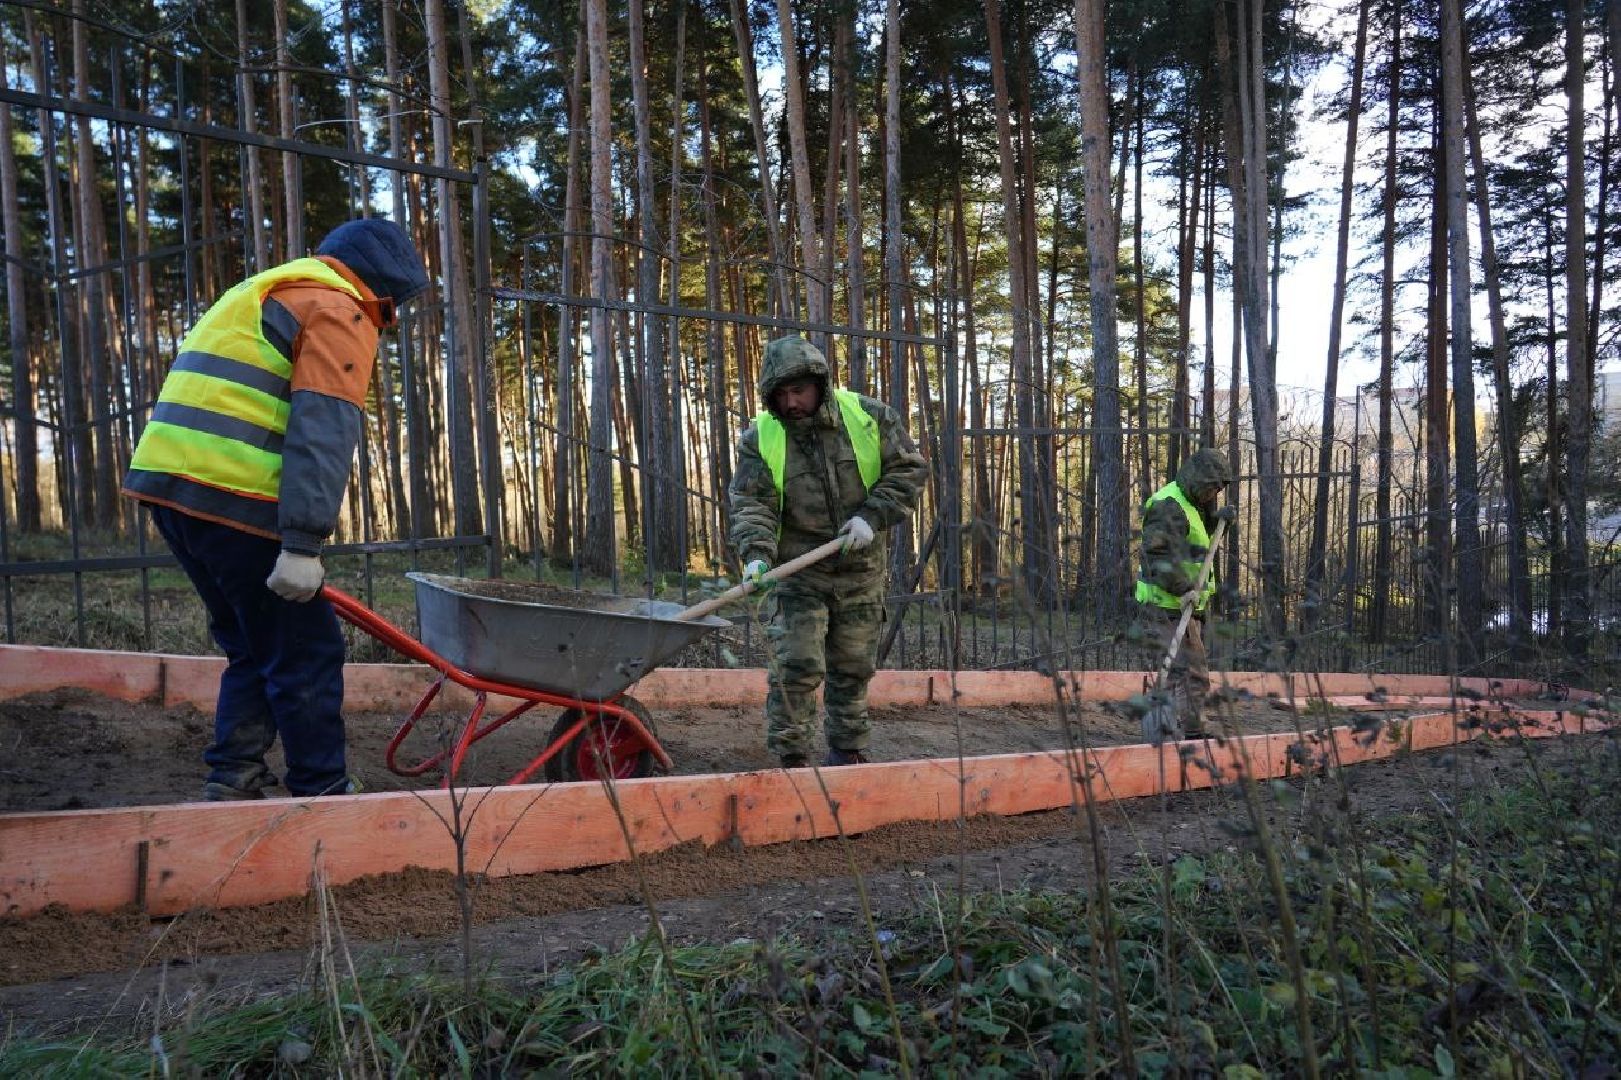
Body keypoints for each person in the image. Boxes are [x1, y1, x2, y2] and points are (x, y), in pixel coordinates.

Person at [123, 219, 429, 800]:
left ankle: (234, 772)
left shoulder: (265, 290)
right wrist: (302, 544)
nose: (386, 324)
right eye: (391, 310)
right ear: (379, 290)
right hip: (237, 500)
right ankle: (323, 790)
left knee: (253, 644)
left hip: (171, 490)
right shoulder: (339, 307)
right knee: (306, 650)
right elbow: (323, 428)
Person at [728, 335, 928, 768]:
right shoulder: (761, 437)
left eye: (798, 390)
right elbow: (752, 503)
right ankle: (792, 757)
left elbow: (908, 470)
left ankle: (848, 751)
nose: (791, 402)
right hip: (796, 572)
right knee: (795, 664)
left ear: (819, 383)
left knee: (853, 666)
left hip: (859, 569)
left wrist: (872, 516)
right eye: (781, 394)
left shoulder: (869, 418)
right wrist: (757, 554)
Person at [1134, 447, 1234, 740]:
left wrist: (1218, 522)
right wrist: (1183, 588)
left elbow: (1195, 542)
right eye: (1212, 486)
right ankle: (1186, 731)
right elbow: (1157, 557)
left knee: (1184, 670)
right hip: (1167, 603)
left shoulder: (1192, 504)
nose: (1214, 493)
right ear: (1198, 478)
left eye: (1219, 488)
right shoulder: (1168, 506)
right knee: (1190, 671)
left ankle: (1178, 728)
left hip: (1182, 602)